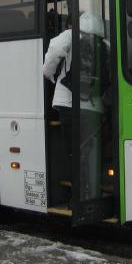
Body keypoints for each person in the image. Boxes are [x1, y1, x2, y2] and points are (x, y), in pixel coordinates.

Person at [43, 12, 107, 200]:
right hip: (94, 106)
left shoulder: (70, 35)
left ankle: (79, 195)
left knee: (74, 151)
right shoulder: (103, 43)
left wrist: (48, 74)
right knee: (89, 149)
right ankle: (92, 188)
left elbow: (54, 50)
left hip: (69, 103)